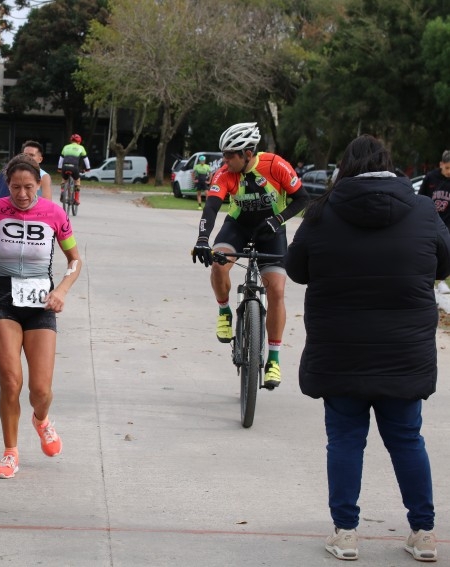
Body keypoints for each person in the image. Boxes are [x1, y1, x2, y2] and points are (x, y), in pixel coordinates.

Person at [285, 134, 450, 562]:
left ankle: (345, 533)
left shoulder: (321, 213)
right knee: (407, 439)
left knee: (344, 440)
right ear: (388, 164)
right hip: (404, 352)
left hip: (340, 349)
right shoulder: (423, 210)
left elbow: (296, 268)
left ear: (345, 166)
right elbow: (445, 261)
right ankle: (424, 533)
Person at [0, 153, 82, 479]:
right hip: (5, 300)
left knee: (40, 391)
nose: (23, 194)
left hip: (42, 302)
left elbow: (75, 260)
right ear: (7, 185)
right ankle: (10, 452)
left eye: (29, 187)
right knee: (10, 380)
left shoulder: (54, 213)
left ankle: (41, 419)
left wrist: (62, 290)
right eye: (16, 187)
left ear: (39, 184)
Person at [191, 122, 310, 388]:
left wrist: (278, 219)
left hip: (271, 229)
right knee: (218, 263)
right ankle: (225, 311)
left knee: (276, 290)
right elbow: (211, 208)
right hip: (238, 226)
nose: (224, 161)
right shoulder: (224, 173)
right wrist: (202, 239)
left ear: (247, 153)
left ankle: (274, 360)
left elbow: (303, 199)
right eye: (223, 155)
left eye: (229, 155)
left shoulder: (275, 165)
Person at [0, 140, 53, 311]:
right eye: (25, 154)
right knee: (0, 249)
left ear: (40, 158)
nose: (28, 158)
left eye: (32, 155)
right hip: (6, 218)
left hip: (33, 223)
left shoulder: (44, 176)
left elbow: (48, 203)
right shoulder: (8, 172)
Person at [418, 150, 450, 294]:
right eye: (447, 168)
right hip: (430, 221)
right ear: (441, 164)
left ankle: (442, 281)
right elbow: (420, 198)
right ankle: (427, 281)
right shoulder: (431, 177)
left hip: (446, 223)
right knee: (429, 252)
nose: (449, 171)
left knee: (445, 252)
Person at [57, 133, 90, 205]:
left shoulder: (65, 147)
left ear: (71, 141)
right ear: (79, 141)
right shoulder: (81, 147)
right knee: (77, 180)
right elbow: (86, 159)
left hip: (65, 167)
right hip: (74, 167)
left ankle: (62, 191)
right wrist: (88, 168)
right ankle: (77, 199)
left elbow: (61, 159)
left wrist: (59, 168)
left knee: (64, 179)